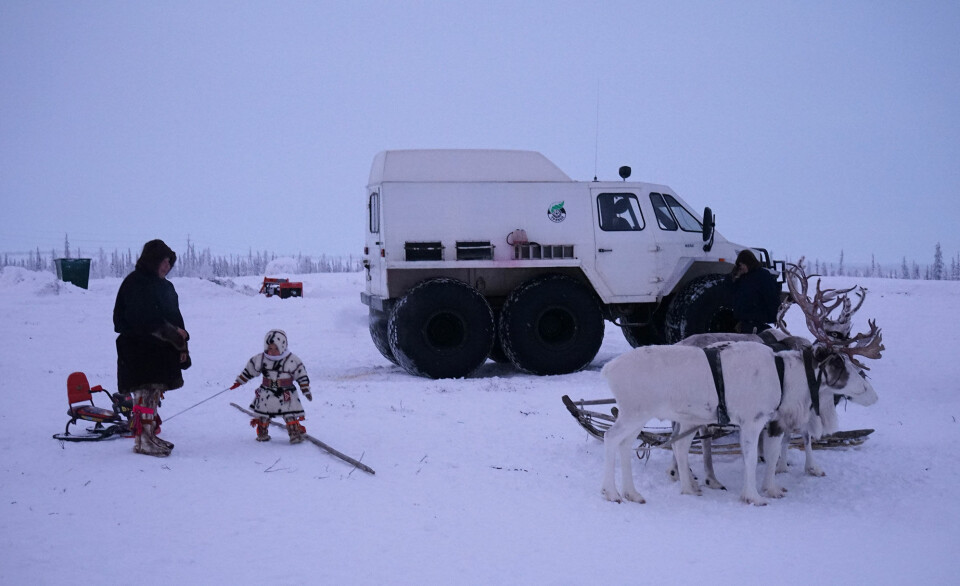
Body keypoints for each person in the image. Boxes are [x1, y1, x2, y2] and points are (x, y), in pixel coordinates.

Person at [113, 239, 190, 457]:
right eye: (163, 261)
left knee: (153, 394)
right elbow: (142, 320)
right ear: (152, 260)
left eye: (169, 262)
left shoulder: (165, 286)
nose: (167, 266)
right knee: (144, 393)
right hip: (139, 351)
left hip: (160, 352)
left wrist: (182, 346)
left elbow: (175, 319)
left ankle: (148, 437)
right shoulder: (136, 283)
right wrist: (173, 334)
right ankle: (143, 440)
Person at [230, 330, 312, 443]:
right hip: (266, 392)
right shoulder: (260, 359)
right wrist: (240, 381)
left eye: (276, 348)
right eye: (270, 348)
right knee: (263, 414)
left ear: (282, 346)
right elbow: (250, 369)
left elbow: (301, 374)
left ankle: (294, 434)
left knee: (289, 414)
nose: (272, 352)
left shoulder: (291, 360)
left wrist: (305, 388)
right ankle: (262, 434)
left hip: (286, 393)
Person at [729, 249, 780, 334]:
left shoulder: (763, 275)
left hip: (757, 321)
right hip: (744, 322)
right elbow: (731, 294)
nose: (741, 267)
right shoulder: (741, 277)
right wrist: (736, 278)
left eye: (742, 265)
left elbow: (772, 297)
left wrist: (776, 316)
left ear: (749, 263)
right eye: (739, 265)